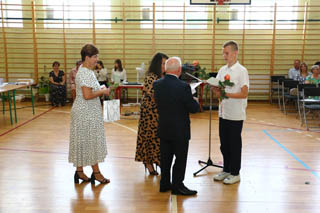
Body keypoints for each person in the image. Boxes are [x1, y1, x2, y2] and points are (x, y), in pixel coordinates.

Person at [154, 56, 200, 196]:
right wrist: (195, 101)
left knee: (166, 158)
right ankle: (178, 186)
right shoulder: (183, 86)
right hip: (180, 130)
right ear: (179, 70)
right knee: (180, 159)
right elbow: (193, 108)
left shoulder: (157, 84)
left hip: (164, 128)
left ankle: (165, 183)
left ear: (165, 69)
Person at [69, 44, 111, 184]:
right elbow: (87, 95)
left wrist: (99, 88)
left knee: (83, 141)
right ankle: (96, 173)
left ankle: (79, 172)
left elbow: (87, 90)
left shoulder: (83, 69)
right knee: (91, 141)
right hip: (85, 112)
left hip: (86, 111)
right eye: (94, 57)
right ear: (87, 57)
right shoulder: (86, 72)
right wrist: (103, 91)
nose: (97, 60)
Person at [212, 40, 249, 185]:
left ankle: (235, 172)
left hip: (235, 114)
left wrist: (226, 95)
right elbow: (220, 93)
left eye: (226, 53)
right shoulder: (222, 70)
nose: (224, 56)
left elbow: (244, 93)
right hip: (223, 113)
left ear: (235, 53)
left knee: (234, 144)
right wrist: (216, 90)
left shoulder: (241, 71)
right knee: (224, 144)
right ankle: (226, 169)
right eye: (223, 53)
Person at [135, 52, 169, 175]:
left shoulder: (164, 77)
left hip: (161, 112)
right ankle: (149, 162)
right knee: (149, 137)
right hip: (150, 112)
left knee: (159, 138)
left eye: (166, 63)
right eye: (163, 63)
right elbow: (154, 96)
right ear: (157, 64)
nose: (165, 66)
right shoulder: (151, 77)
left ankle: (158, 160)